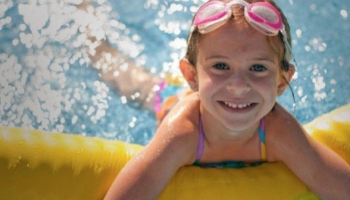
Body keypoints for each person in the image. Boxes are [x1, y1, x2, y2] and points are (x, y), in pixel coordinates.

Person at [100, 0, 350, 199]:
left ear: (282, 81)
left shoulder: (278, 131)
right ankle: (95, 42)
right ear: (191, 75)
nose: (239, 86)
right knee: (131, 81)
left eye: (258, 68)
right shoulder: (182, 133)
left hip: (211, 95)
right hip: (172, 101)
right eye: (221, 65)